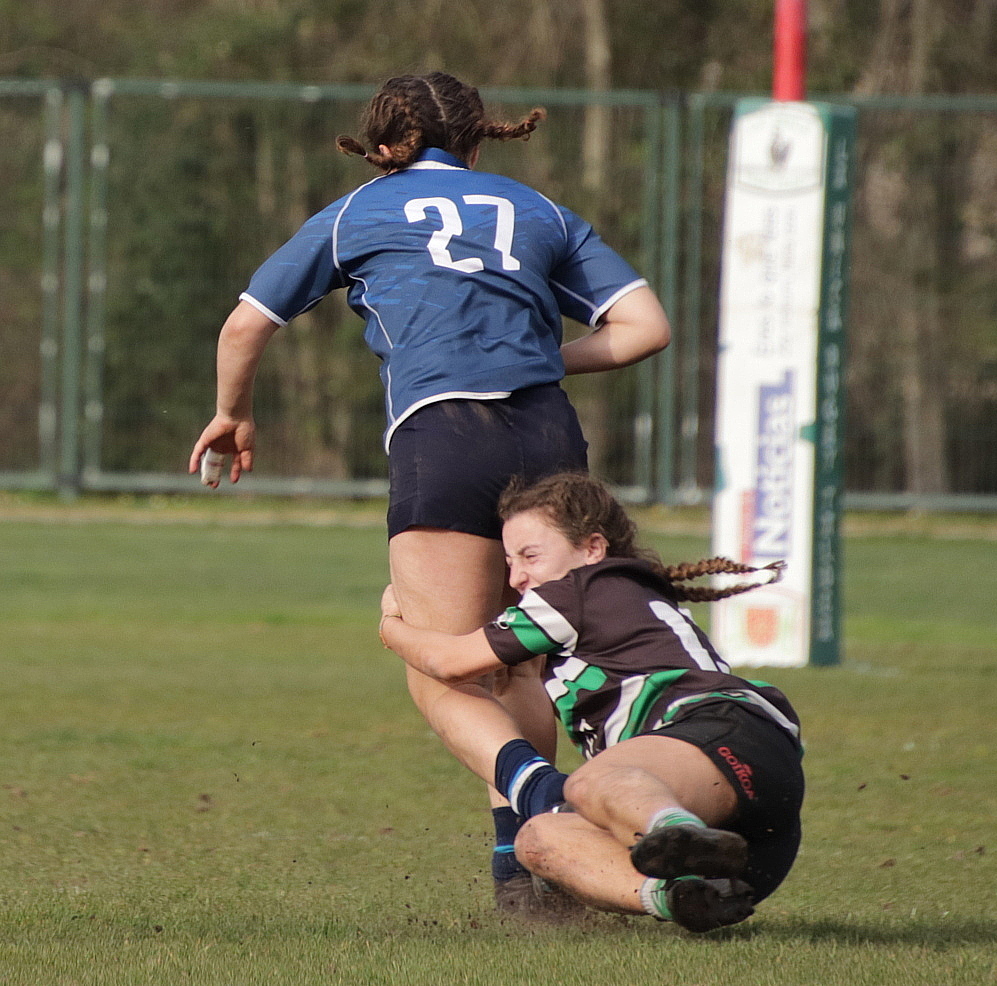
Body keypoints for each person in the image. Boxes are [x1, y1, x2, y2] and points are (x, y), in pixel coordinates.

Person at [187, 73, 671, 910]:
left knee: (436, 661)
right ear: (480, 142)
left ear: (381, 148)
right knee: (518, 660)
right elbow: (644, 329)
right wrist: (532, 356)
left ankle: (543, 803)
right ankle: (534, 880)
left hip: (444, 435)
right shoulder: (540, 210)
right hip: (550, 435)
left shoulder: (357, 211)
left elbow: (244, 326)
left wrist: (233, 413)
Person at [378, 472, 804, 932]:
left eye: (530, 556)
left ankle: (674, 833)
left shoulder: (578, 590)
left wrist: (390, 625)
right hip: (751, 849)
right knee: (538, 840)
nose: (517, 577)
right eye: (508, 561)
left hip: (720, 730)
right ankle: (679, 895)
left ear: (592, 548)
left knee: (587, 784)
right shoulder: (617, 592)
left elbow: (451, 662)